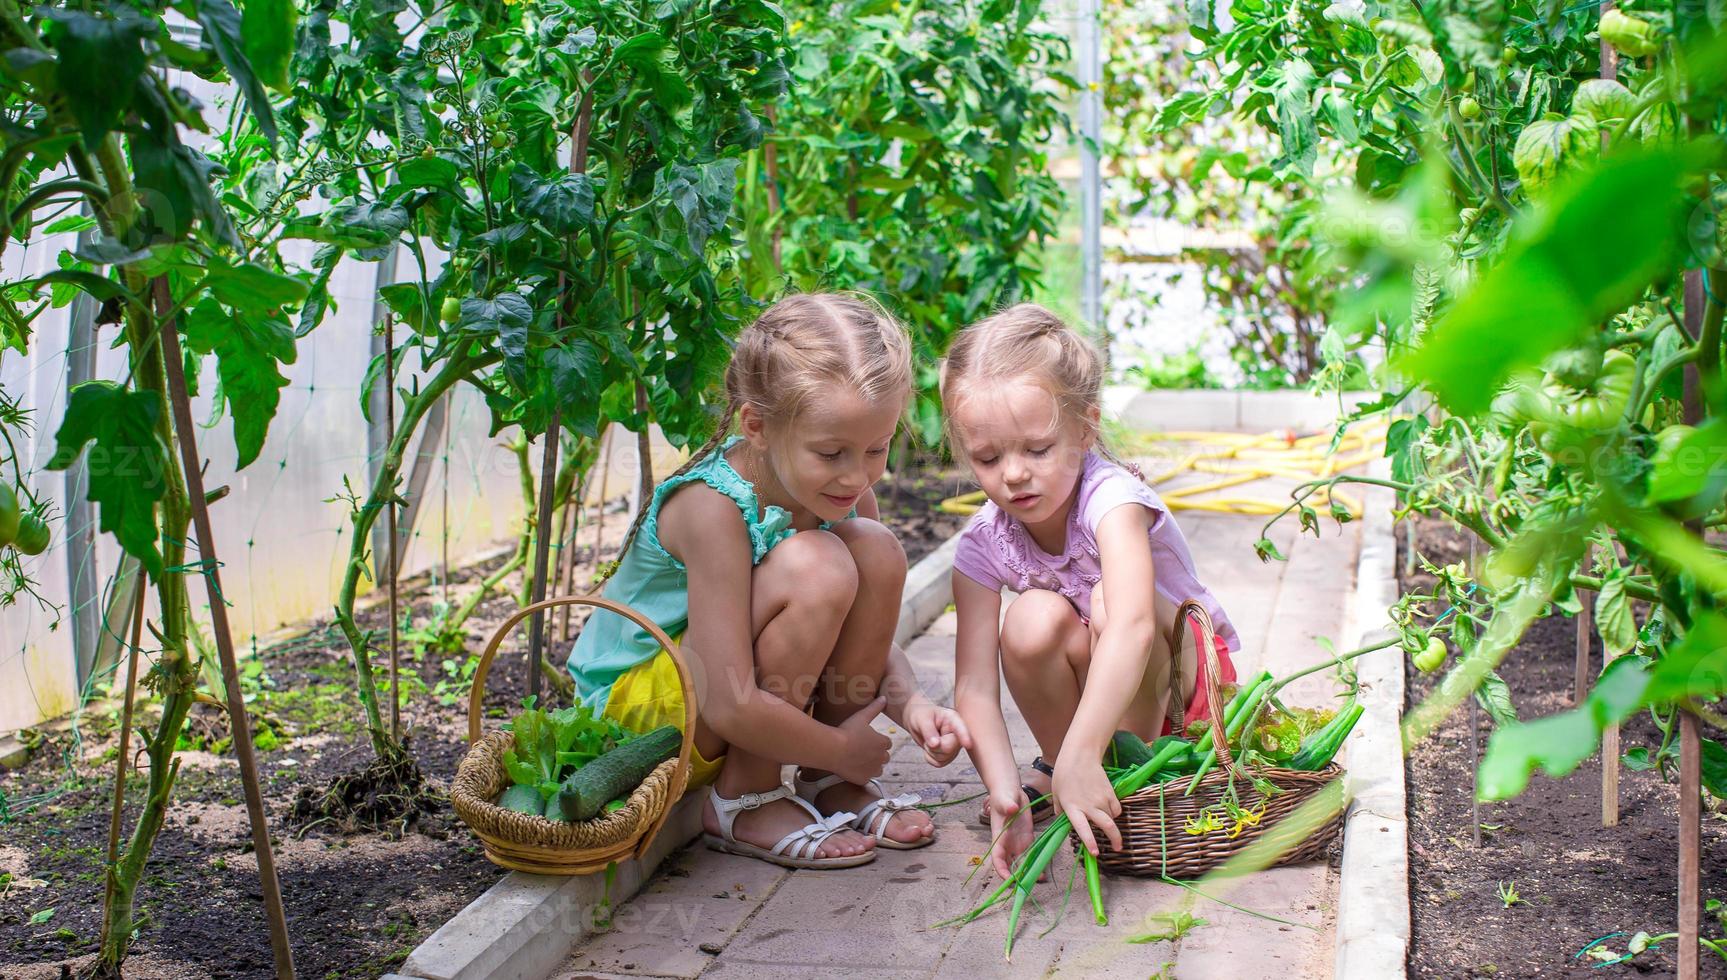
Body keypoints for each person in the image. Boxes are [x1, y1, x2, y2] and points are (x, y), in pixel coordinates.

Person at [568, 292, 971, 869]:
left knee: (875, 551)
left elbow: (872, 637)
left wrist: (909, 706)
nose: (856, 475)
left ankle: (828, 782)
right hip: (643, 724)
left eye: (876, 449)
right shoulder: (712, 508)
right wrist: (843, 745)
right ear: (756, 426)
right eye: (831, 452)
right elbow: (726, 703)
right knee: (819, 566)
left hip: (715, 700)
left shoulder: (843, 489)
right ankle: (746, 796)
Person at [940, 302, 1240, 879]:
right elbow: (973, 686)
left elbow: (1131, 625)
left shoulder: (1112, 500)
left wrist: (1078, 752)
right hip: (1095, 703)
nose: (1014, 474)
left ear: (1085, 428)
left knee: (1109, 600)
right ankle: (1069, 779)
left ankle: (1122, 776)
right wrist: (1003, 792)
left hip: (1183, 690)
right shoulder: (982, 542)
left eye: (1037, 449)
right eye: (987, 457)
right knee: (1029, 619)